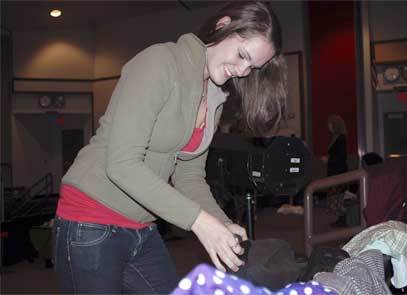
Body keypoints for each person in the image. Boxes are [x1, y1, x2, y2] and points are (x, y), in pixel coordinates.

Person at [52, 2, 287, 294]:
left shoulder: (214, 96)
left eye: (251, 67)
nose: (241, 71)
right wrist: (200, 223)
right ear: (223, 25)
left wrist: (221, 224)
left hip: (141, 226)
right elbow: (122, 164)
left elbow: (189, 177)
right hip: (90, 221)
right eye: (242, 56)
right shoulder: (160, 62)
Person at [322, 114, 348, 226]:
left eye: (330, 124)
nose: (328, 126)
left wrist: (329, 160)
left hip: (338, 171)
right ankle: (341, 219)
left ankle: (343, 219)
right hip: (336, 170)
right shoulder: (337, 137)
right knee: (336, 198)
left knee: (337, 198)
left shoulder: (340, 138)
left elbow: (341, 156)